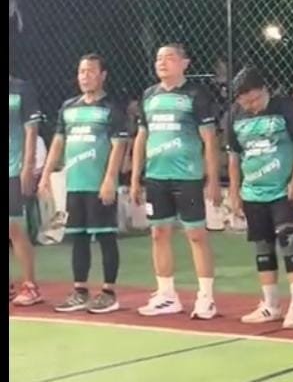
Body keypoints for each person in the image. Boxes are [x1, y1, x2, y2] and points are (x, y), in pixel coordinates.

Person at [130, 43, 221, 319]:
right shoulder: (149, 95)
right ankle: (167, 295)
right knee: (158, 233)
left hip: (188, 177)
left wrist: (213, 179)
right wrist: (135, 178)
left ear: (185, 63)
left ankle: (206, 297)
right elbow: (141, 138)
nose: (162, 62)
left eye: (169, 57)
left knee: (196, 235)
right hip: (156, 177)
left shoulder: (196, 95)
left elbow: (209, 139)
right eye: (159, 58)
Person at [39, 54, 129, 313]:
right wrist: (46, 175)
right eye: (81, 71)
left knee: (105, 236)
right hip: (75, 185)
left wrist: (110, 179)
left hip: (98, 185)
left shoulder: (111, 108)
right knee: (77, 238)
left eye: (90, 71)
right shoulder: (68, 107)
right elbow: (58, 142)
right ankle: (80, 291)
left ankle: (109, 293)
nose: (85, 76)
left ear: (103, 75)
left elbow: (119, 145)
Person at [228, 66, 293, 329]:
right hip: (253, 191)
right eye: (245, 102)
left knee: (290, 243)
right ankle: (271, 304)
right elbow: (234, 156)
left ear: (264, 90)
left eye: (254, 100)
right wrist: (235, 191)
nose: (250, 106)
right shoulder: (235, 115)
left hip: (283, 190)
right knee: (262, 247)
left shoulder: (285, 107)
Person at [9, 75, 43, 306]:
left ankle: (30, 286)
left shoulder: (21, 89)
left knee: (13, 226)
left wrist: (28, 166)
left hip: (14, 167)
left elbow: (31, 130)